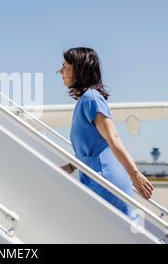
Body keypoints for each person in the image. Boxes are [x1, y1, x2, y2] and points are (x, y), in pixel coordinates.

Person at [58, 47, 153, 217]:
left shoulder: (91, 98)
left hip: (105, 179)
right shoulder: (84, 101)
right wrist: (71, 167)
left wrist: (135, 175)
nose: (60, 71)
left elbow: (113, 138)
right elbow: (91, 148)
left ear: (80, 68)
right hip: (94, 177)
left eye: (65, 66)